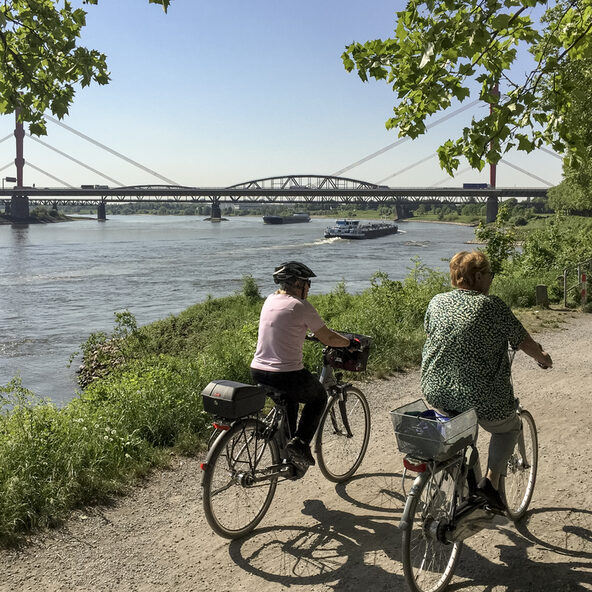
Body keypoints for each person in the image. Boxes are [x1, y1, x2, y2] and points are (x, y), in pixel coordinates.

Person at [420, 250, 552, 511]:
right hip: (480, 397)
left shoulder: (436, 301)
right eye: (489, 274)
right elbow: (524, 342)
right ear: (478, 276)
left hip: (436, 389)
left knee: (463, 434)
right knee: (508, 428)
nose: (491, 280)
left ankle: (462, 490)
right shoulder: (491, 306)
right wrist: (544, 358)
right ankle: (490, 485)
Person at [250, 261, 352, 469]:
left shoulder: (270, 300)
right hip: (285, 375)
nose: (309, 288)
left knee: (290, 400)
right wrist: (348, 343)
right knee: (318, 397)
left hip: (258, 370)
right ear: (297, 283)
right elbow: (328, 337)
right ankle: (300, 444)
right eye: (307, 283)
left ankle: (287, 454)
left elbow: (283, 327)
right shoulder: (300, 306)